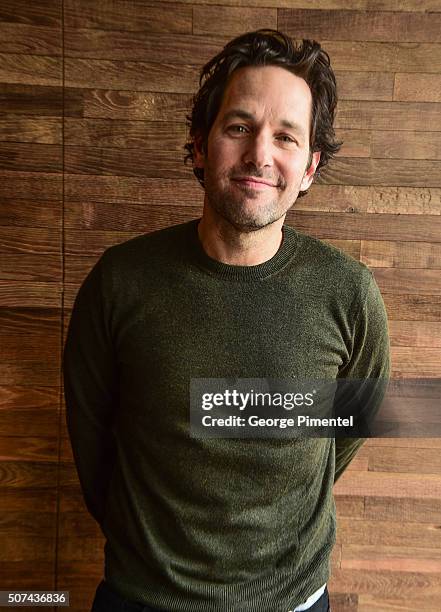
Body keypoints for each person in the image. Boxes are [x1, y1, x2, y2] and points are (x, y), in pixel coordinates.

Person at [63, 29, 390, 612]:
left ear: (310, 167)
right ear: (199, 144)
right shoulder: (120, 281)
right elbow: (94, 444)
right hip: (141, 599)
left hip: (292, 602)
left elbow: (347, 433)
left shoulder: (349, 294)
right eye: (239, 127)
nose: (260, 154)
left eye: (286, 137)